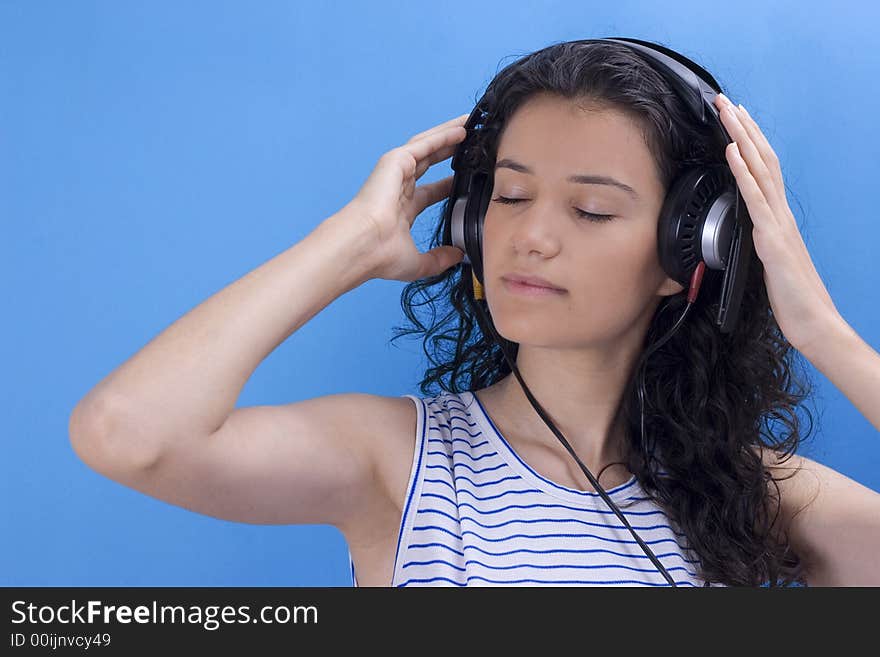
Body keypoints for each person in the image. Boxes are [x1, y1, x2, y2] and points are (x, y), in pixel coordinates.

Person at [69, 40, 880, 587]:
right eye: (511, 194)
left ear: (686, 252)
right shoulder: (399, 461)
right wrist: (348, 243)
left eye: (591, 210)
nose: (528, 235)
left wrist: (822, 332)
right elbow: (128, 433)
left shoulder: (757, 493)